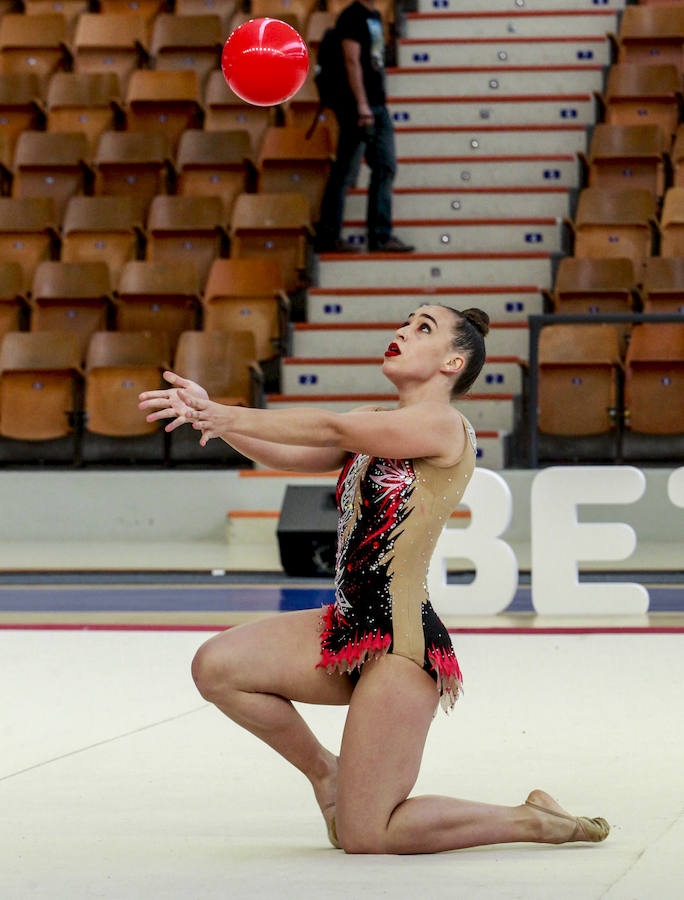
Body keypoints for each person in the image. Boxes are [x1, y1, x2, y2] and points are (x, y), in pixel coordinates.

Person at [138, 304, 610, 854]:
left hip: (399, 644)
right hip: (346, 627)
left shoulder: (442, 424)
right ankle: (326, 774)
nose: (402, 332)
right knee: (216, 666)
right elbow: (291, 452)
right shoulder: (373, 422)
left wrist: (228, 413)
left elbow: (333, 427)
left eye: (423, 329)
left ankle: (532, 820)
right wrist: (209, 420)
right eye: (406, 323)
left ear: (453, 362)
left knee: (369, 835)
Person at [315, 0, 414, 254]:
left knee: (385, 166)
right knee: (345, 171)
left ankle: (380, 236)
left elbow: (374, 61)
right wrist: (362, 105)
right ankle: (329, 236)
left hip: (376, 105)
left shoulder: (375, 16)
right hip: (357, 108)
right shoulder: (351, 17)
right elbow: (352, 60)